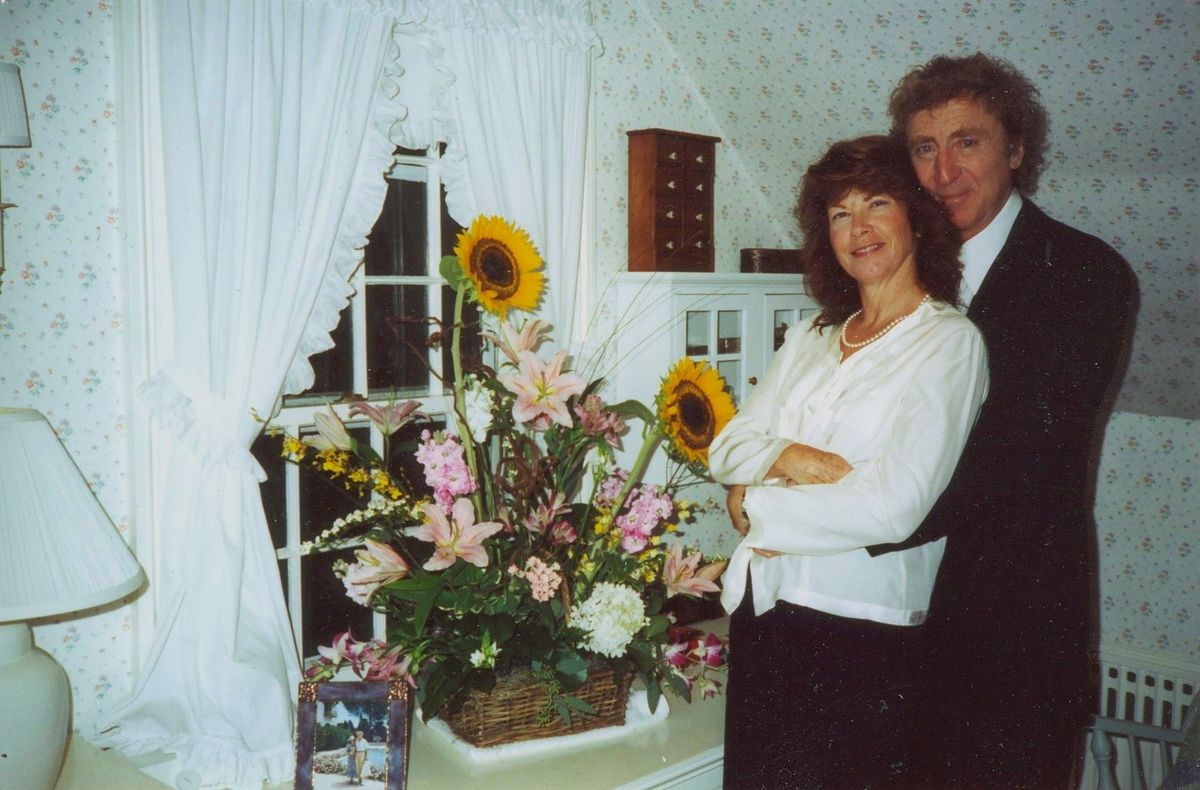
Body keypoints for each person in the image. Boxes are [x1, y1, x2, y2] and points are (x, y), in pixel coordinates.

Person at [884, 52, 1137, 788]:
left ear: (1017, 149)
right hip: (897, 626)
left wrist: (838, 520)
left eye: (968, 141)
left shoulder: (1086, 274)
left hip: (1013, 631)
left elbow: (1014, 453)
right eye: (925, 148)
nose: (942, 173)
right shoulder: (899, 273)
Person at [710, 134, 989, 789]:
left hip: (860, 636)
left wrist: (753, 503)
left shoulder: (949, 344)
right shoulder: (811, 336)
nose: (858, 228)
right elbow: (728, 446)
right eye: (839, 214)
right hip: (765, 612)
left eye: (877, 203)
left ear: (916, 218)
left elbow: (892, 507)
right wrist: (797, 457)